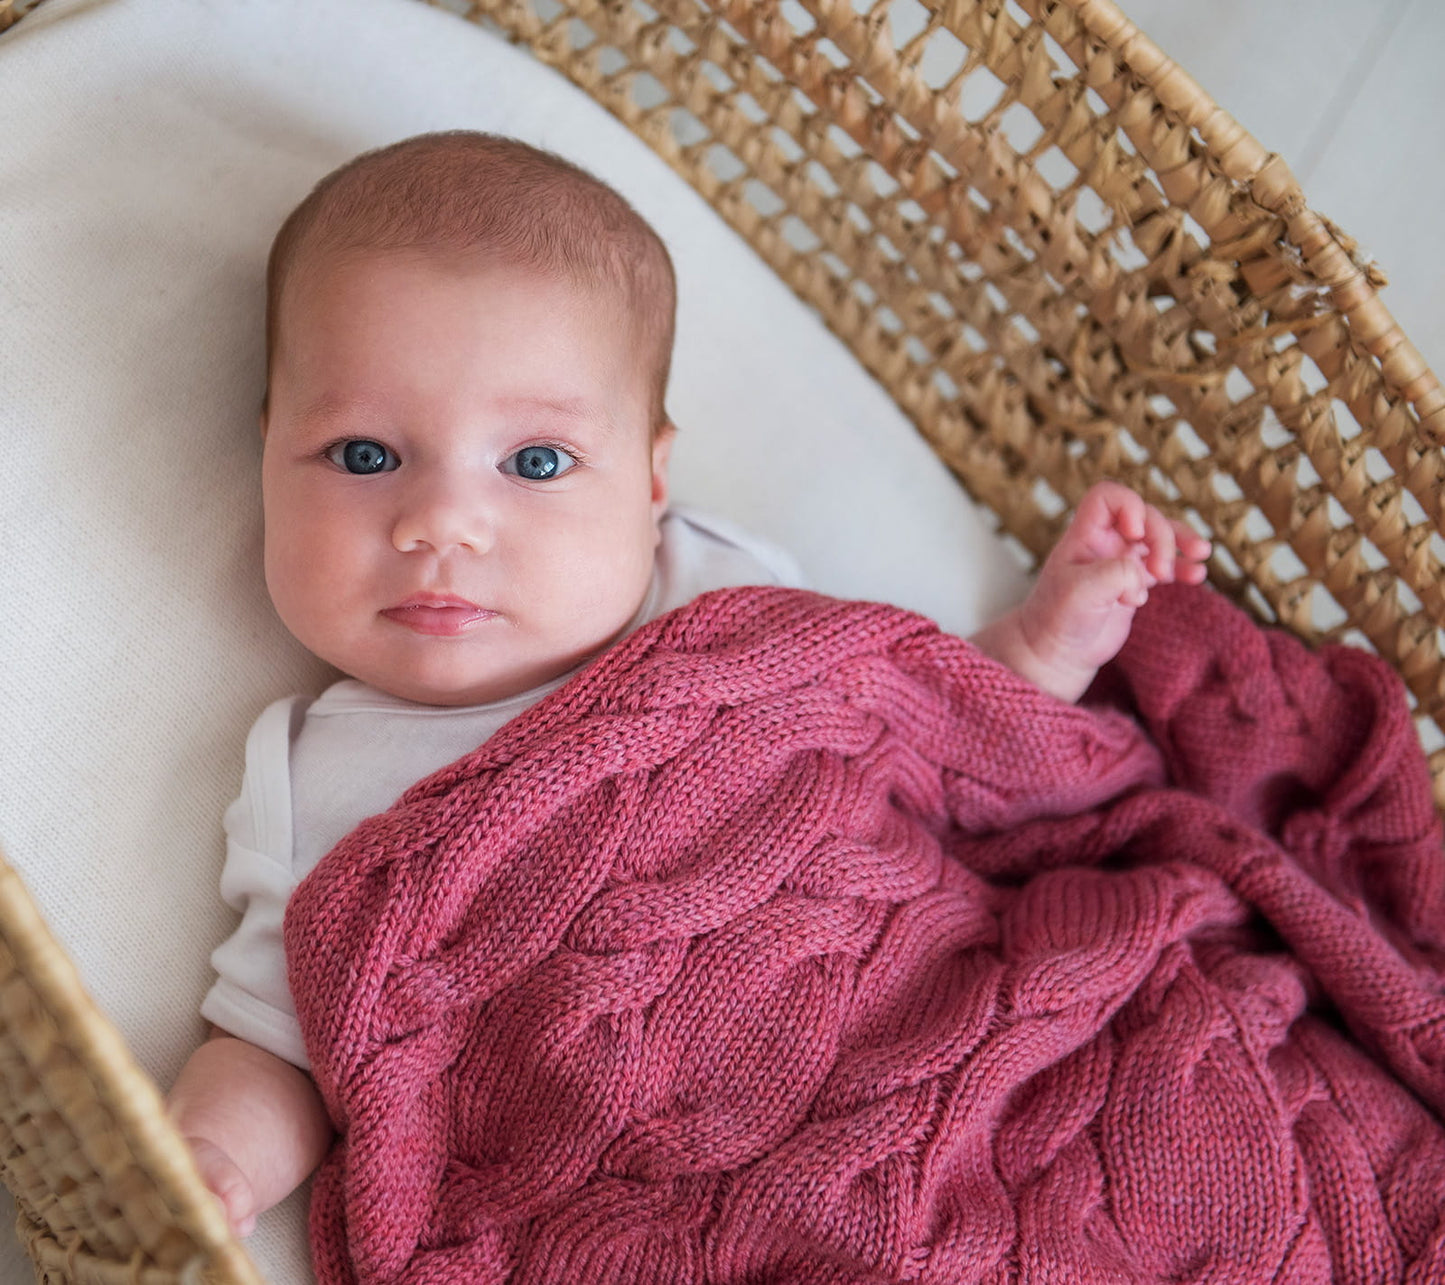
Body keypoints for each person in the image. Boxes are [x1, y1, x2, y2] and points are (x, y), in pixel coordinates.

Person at [165, 130, 1210, 1239]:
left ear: (653, 479)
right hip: (683, 1181)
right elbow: (278, 1037)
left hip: (942, 997)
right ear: (272, 449)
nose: (441, 527)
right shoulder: (319, 774)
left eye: (535, 463)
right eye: (365, 455)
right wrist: (207, 1162)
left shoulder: (718, 588)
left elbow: (914, 725)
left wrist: (1044, 643)